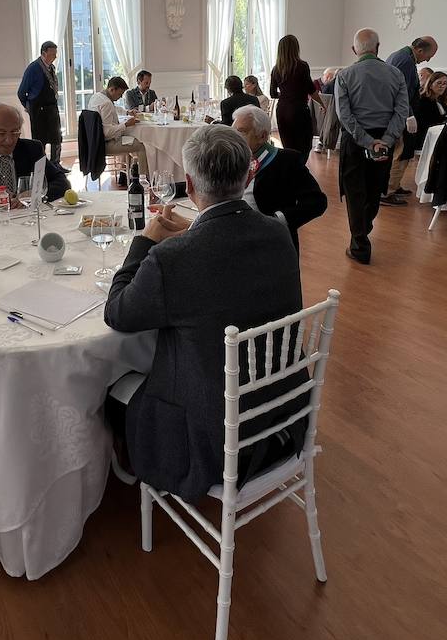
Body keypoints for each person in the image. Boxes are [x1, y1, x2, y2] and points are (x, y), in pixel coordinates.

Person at [102, 125, 309, 499]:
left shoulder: (172, 259)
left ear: (190, 184)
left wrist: (145, 241)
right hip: (283, 413)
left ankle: (132, 465)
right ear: (249, 174)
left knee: (111, 388)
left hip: (210, 439)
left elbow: (118, 312)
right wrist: (194, 229)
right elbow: (227, 262)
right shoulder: (278, 233)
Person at [334, 28, 409, 265]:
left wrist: (366, 141)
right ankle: (362, 232)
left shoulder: (345, 75)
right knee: (375, 189)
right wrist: (386, 140)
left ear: (354, 49)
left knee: (355, 191)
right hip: (384, 139)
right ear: (378, 48)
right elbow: (402, 111)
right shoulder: (396, 74)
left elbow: (344, 115)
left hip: (356, 141)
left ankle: (360, 243)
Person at [232, 104, 326, 251]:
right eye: (233, 132)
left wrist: (277, 220)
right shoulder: (232, 159)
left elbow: (317, 202)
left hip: (273, 243)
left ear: (262, 136)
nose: (234, 138)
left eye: (241, 132)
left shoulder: (286, 161)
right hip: (238, 240)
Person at [383, 35, 439, 206]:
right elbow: (402, 92)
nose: (428, 59)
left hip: (397, 113)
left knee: (401, 151)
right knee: (399, 152)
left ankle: (394, 185)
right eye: (428, 55)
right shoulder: (405, 61)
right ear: (420, 50)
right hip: (398, 115)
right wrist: (408, 115)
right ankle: (387, 192)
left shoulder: (401, 56)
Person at [269, 35, 321, 153]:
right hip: (299, 110)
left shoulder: (276, 69)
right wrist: (323, 104)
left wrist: (285, 95)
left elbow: (272, 93)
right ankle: (300, 169)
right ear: (295, 48)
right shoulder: (302, 66)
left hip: (282, 110)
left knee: (288, 147)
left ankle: (291, 169)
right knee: (304, 145)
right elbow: (311, 89)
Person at [87, 75, 150, 172]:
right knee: (141, 146)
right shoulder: (106, 103)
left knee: (129, 137)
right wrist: (126, 125)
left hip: (92, 142)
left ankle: (126, 175)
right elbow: (107, 132)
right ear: (112, 89)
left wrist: (127, 112)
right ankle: (143, 181)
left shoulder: (97, 97)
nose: (120, 97)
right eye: (120, 94)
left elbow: (113, 108)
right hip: (104, 145)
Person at [17, 41, 64, 169]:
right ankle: (41, 167)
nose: (55, 56)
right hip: (38, 109)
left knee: (57, 138)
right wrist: (28, 106)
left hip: (52, 107)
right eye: (52, 54)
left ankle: (55, 164)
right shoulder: (33, 68)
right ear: (44, 53)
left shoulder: (52, 68)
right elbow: (21, 92)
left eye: (56, 54)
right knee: (39, 140)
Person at [414, 70, 447, 146]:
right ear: (430, 85)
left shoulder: (442, 101)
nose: (442, 86)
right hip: (423, 139)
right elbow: (431, 122)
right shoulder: (423, 101)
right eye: (439, 83)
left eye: (444, 83)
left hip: (438, 137)